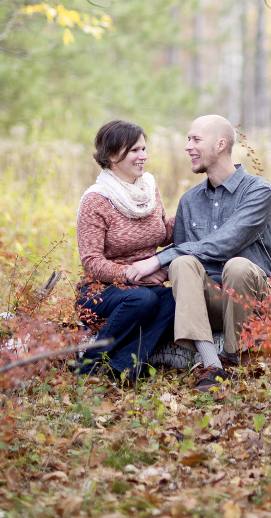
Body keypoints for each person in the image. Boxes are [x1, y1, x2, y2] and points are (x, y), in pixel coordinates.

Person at [124, 114, 271, 390]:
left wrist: (159, 258)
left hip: (256, 301)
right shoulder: (189, 201)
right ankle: (213, 365)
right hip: (212, 303)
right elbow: (185, 256)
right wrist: (157, 268)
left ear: (220, 145)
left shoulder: (257, 190)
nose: (187, 146)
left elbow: (225, 242)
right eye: (187, 139)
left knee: (237, 266)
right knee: (182, 264)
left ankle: (235, 356)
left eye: (196, 139)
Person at [75, 119, 175, 381]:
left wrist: (199, 211)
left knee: (176, 299)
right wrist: (136, 274)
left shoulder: (148, 189)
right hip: (101, 292)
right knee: (143, 299)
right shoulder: (96, 199)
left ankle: (121, 368)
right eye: (135, 150)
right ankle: (88, 365)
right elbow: (91, 261)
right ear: (112, 156)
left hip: (144, 287)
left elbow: (163, 233)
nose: (143, 156)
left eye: (144, 149)